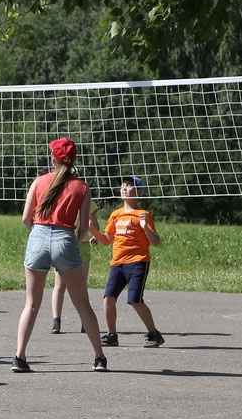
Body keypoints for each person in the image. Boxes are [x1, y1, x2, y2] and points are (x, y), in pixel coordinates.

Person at [12, 138, 107, 373]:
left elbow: (26, 218)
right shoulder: (82, 187)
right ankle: (99, 358)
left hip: (38, 236)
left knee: (31, 304)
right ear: (73, 159)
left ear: (53, 158)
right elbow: (84, 227)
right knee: (82, 304)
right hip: (65, 237)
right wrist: (72, 244)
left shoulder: (39, 181)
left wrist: (39, 235)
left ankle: (19, 357)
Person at [92, 175, 165, 348]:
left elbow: (156, 242)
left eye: (129, 186)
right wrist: (92, 231)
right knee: (108, 298)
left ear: (138, 192)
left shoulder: (143, 214)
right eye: (123, 185)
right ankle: (112, 335)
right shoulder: (115, 215)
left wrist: (145, 228)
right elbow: (106, 240)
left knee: (135, 300)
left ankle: (154, 334)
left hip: (138, 262)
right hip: (117, 263)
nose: (124, 188)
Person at [50, 198, 100, 334]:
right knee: (60, 285)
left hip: (82, 244)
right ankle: (56, 320)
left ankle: (85, 321)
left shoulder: (85, 197)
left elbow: (93, 219)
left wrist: (95, 235)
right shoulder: (60, 195)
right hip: (64, 241)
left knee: (81, 284)